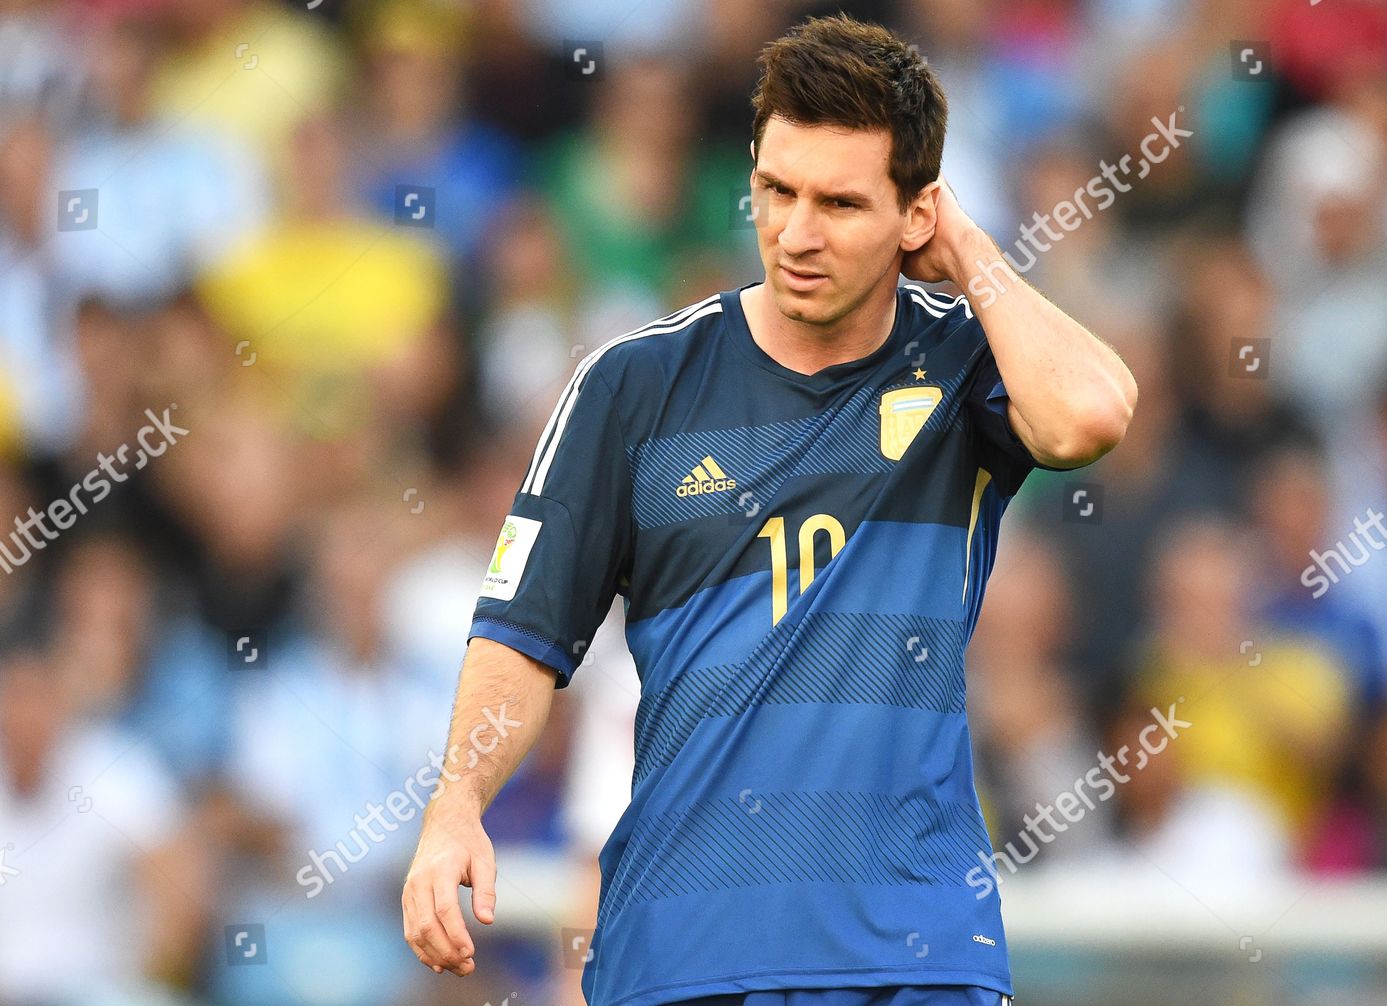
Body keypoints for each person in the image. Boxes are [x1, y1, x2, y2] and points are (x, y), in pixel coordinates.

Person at [401, 14, 1136, 1006]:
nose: (795, 233)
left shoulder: (963, 364)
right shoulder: (632, 386)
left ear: (913, 213)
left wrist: (969, 252)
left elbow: (1089, 415)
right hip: (684, 950)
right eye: (775, 190)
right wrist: (458, 799)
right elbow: (523, 636)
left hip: (915, 950)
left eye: (839, 202)